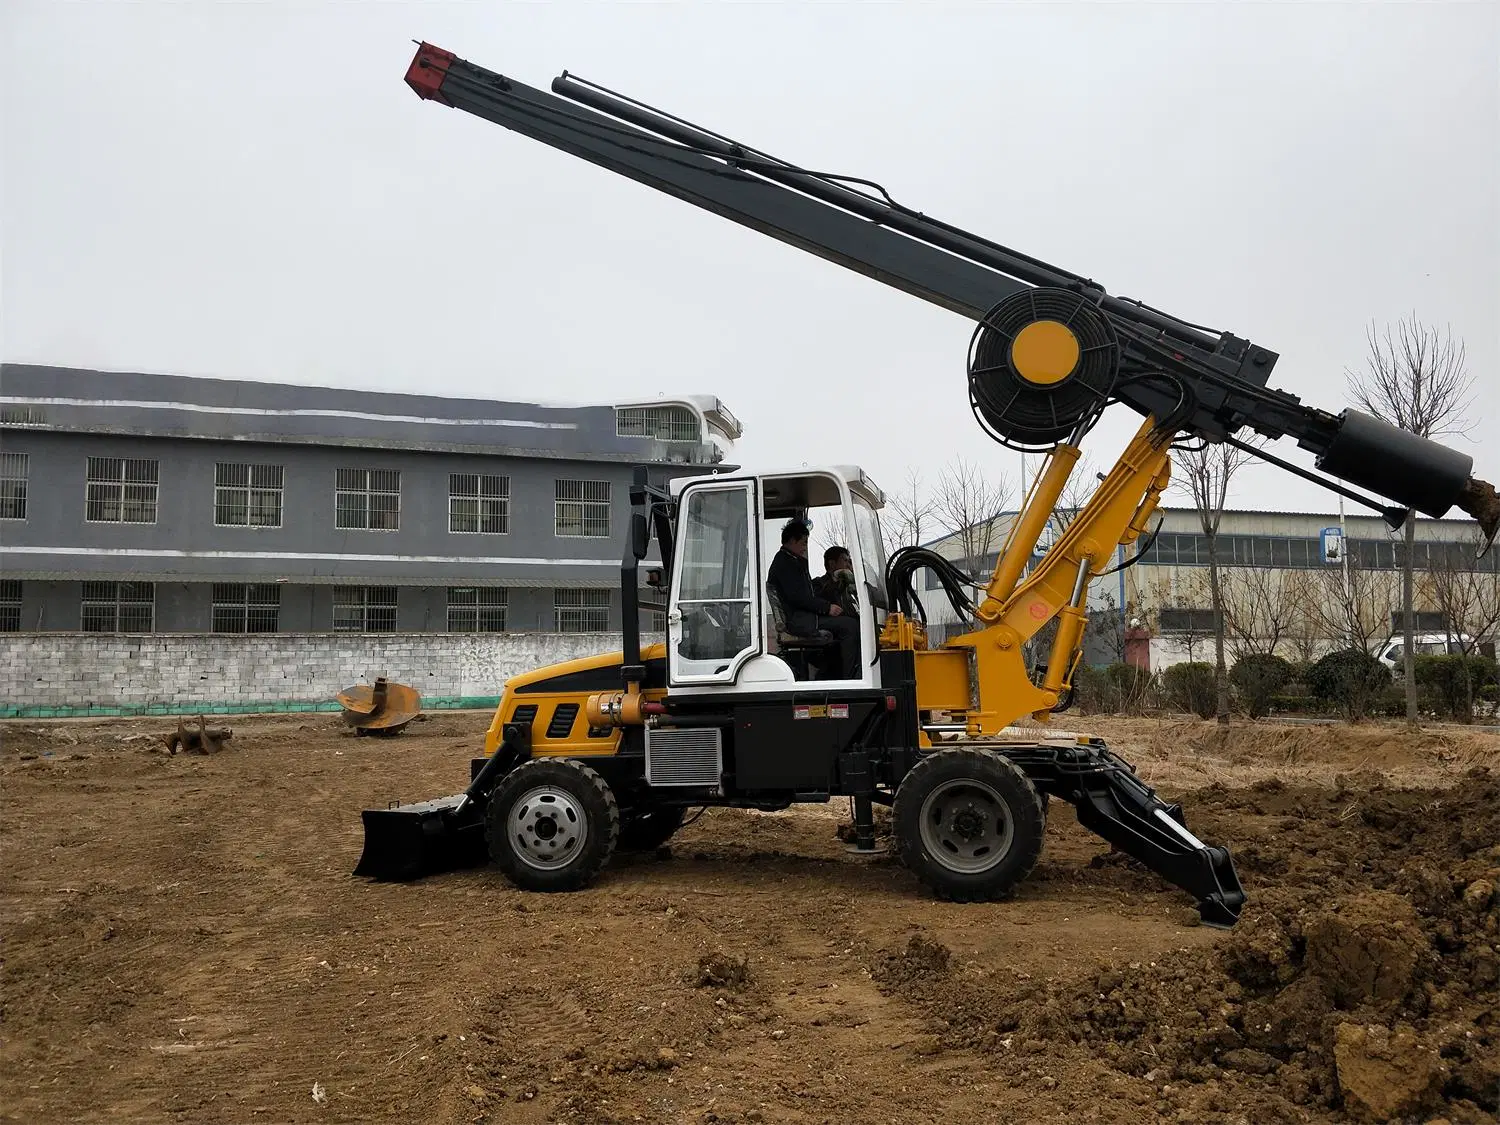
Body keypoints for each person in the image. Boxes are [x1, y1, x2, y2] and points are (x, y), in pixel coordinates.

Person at [767, 520, 861, 679]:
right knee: (850, 626)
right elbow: (798, 597)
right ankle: (851, 678)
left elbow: (804, 595)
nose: (805, 547)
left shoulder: (791, 561)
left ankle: (837, 674)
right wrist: (826, 608)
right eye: (803, 542)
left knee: (845, 623)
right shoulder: (785, 564)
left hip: (804, 616)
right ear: (792, 540)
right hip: (800, 620)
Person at [813, 545, 860, 619]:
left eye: (849, 562)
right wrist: (837, 580)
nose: (849, 565)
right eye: (845, 561)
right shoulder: (818, 583)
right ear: (832, 564)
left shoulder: (854, 586)